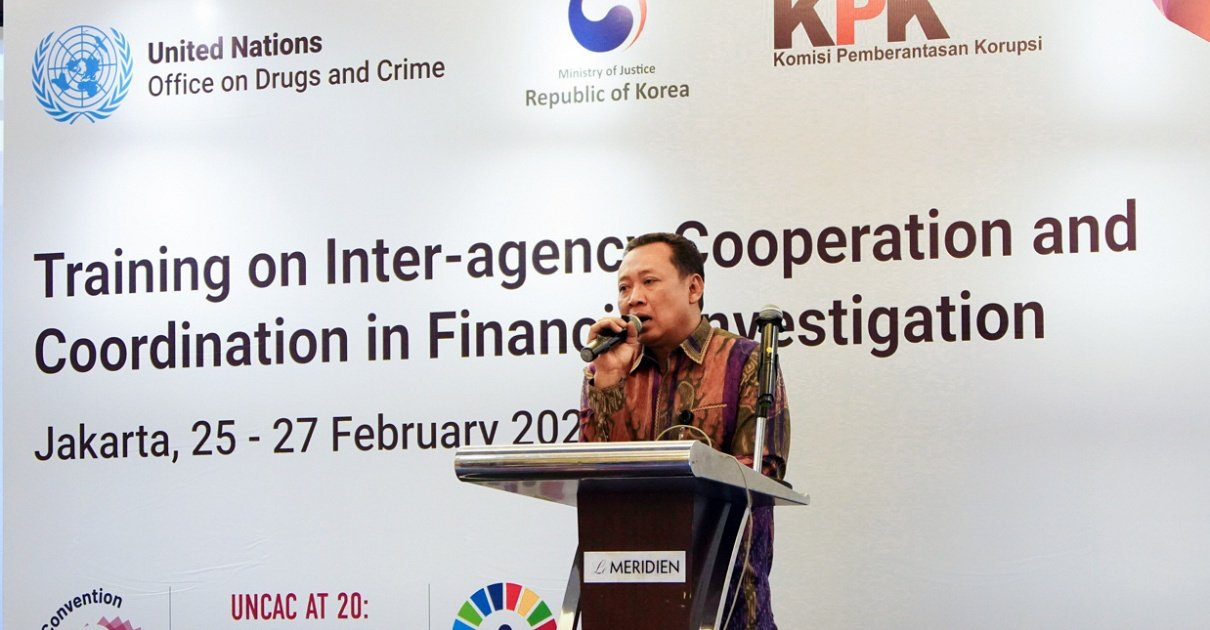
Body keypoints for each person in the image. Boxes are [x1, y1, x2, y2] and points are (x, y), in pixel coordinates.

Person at [578, 232, 791, 630]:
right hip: (630, 591)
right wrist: (608, 381)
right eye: (624, 288)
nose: (633, 299)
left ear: (694, 288)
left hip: (727, 600)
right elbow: (593, 477)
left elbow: (761, 472)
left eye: (649, 281)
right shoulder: (606, 368)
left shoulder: (745, 361)